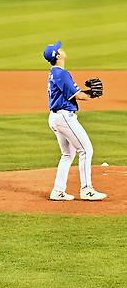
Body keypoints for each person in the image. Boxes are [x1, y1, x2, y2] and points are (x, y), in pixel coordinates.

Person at [44, 41, 107, 201]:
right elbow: (78, 96)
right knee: (86, 150)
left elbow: (73, 93)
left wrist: (88, 92)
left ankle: (58, 191)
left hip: (56, 117)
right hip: (64, 117)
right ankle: (87, 190)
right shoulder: (61, 74)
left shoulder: (54, 73)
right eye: (59, 49)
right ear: (57, 56)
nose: (62, 49)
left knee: (68, 154)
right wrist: (93, 94)